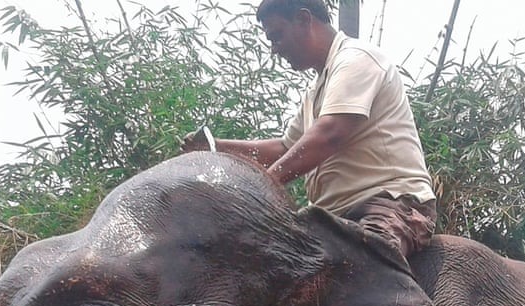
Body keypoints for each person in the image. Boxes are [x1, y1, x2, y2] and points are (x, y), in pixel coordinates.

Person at [181, 0, 437, 259]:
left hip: (390, 203)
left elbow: (329, 134)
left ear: (304, 20)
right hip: (330, 217)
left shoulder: (357, 59)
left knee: (363, 274)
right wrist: (215, 147)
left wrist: (262, 185)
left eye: (277, 36)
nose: (274, 49)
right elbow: (285, 148)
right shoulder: (315, 92)